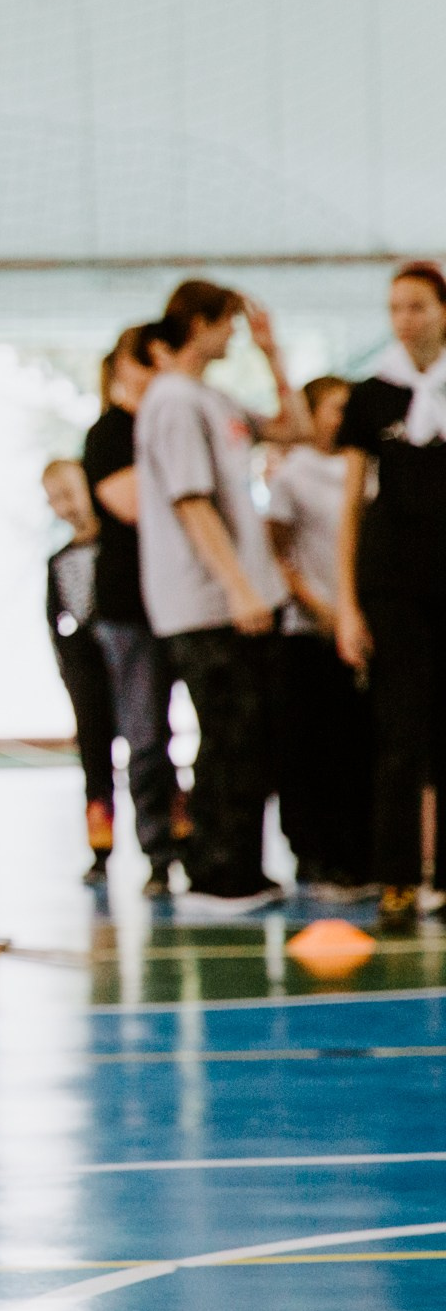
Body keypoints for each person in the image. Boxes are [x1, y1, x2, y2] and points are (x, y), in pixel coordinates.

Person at [133, 280, 305, 912]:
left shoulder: (212, 398)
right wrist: (238, 588)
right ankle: (215, 874)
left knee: (249, 732)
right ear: (200, 323)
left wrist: (272, 355)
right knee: (228, 734)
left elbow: (297, 429)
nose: (233, 334)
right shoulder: (173, 401)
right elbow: (189, 501)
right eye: (229, 324)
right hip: (205, 602)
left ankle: (241, 868)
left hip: (237, 597)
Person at [336, 262, 446, 930]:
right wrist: (347, 602)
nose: (406, 319)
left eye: (418, 306)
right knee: (400, 736)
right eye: (395, 308)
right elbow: (350, 503)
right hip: (392, 586)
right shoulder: (372, 395)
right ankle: (398, 880)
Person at [83, 324, 184, 893]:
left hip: (185, 601)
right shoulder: (108, 434)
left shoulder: (167, 425)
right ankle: (158, 855)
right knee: (145, 735)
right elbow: (135, 507)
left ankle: (198, 840)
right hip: (130, 608)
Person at [265, 376, 373, 897]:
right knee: (312, 747)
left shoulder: (368, 469)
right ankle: (314, 855)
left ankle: (359, 854)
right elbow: (278, 552)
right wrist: (319, 606)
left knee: (357, 745)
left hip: (360, 628)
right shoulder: (293, 475)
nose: (343, 417)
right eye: (334, 408)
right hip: (309, 629)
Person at [41, 457, 118, 884]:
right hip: (84, 671)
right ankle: (101, 849)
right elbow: (52, 622)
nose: (65, 506)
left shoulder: (119, 548)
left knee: (151, 748)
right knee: (95, 759)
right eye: (55, 500)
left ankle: (171, 841)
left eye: (69, 493)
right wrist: (67, 669)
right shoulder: (58, 561)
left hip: (124, 664)